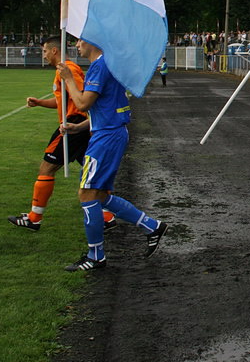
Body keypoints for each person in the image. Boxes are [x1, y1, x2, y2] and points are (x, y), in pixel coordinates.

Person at [57, 39, 168, 271]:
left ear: (93, 42)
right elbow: (105, 107)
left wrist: (68, 78)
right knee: (100, 195)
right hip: (110, 132)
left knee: (87, 194)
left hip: (106, 137)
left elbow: (83, 103)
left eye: (79, 41)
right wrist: (78, 128)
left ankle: (96, 256)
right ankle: (152, 226)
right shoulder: (108, 63)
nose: (77, 45)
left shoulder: (100, 65)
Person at [8, 36, 115, 232]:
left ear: (55, 51)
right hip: (79, 124)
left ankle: (34, 218)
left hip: (74, 124)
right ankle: (106, 216)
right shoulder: (64, 71)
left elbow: (82, 97)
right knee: (91, 172)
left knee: (46, 168)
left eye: (45, 51)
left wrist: (78, 122)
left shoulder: (69, 70)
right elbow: (64, 101)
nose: (44, 55)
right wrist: (39, 102)